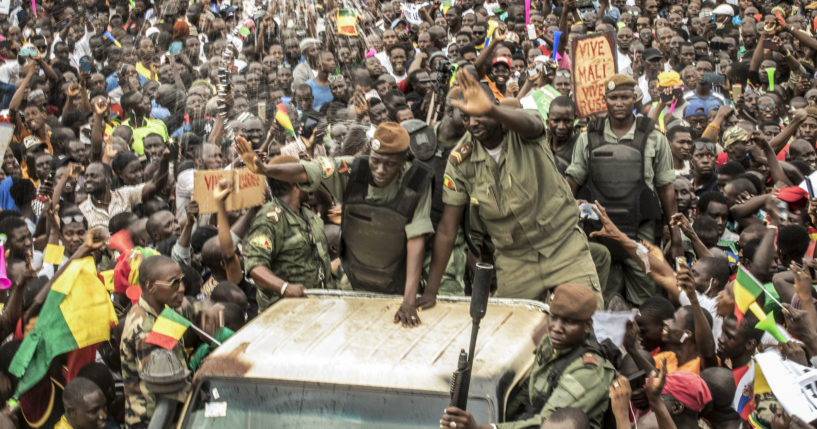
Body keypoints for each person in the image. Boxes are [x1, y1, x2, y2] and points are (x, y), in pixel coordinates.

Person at [426, 70, 602, 309]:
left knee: (585, 319)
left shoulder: (521, 128)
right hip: (514, 259)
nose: (473, 123)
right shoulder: (460, 160)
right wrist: (431, 292)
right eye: (466, 118)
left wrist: (491, 109)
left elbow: (532, 124)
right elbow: (447, 229)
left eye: (479, 114)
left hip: (563, 245)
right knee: (508, 333)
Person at [237, 122, 433, 326]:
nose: (380, 170)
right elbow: (308, 170)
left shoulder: (416, 182)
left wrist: (409, 301)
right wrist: (265, 169)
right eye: (375, 161)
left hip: (398, 287)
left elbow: (416, 239)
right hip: (353, 286)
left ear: (403, 161)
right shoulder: (353, 169)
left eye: (390, 164)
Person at [567, 73, 681, 306]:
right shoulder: (588, 136)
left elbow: (666, 189)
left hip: (641, 231)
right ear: (605, 100)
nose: (619, 103)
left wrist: (676, 235)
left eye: (625, 97)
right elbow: (572, 182)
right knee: (598, 298)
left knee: (646, 297)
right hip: (597, 230)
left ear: (635, 98)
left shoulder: (654, 137)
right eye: (613, 97)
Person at [440, 283, 615, 429]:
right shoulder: (551, 345)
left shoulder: (589, 371)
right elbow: (526, 396)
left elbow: (548, 424)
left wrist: (484, 428)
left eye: (568, 322)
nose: (556, 328)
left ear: (587, 326)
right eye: (554, 318)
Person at [242, 154, 335, 312]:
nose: (309, 179)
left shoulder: (306, 213)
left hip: (317, 307)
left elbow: (327, 203)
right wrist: (284, 287)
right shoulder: (269, 220)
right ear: (296, 183)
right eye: (304, 175)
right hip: (285, 313)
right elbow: (255, 267)